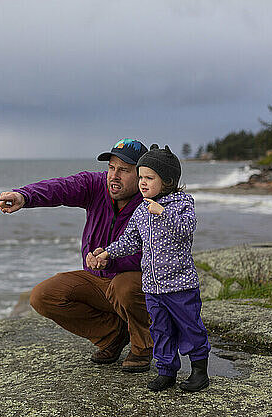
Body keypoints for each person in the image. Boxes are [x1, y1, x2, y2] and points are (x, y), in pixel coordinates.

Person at [0, 139, 154, 372]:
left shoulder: (153, 202)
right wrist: (24, 197)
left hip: (136, 286)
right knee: (43, 296)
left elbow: (158, 253)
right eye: (111, 168)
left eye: (124, 170)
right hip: (98, 282)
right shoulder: (96, 185)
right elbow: (59, 187)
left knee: (124, 286)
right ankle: (112, 335)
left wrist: (112, 257)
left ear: (141, 175)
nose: (114, 176)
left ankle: (142, 347)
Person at [87, 144, 211, 392]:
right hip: (153, 287)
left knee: (189, 327)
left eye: (149, 178)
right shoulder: (142, 209)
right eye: (141, 177)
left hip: (180, 286)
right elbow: (130, 241)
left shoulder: (182, 203)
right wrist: (108, 252)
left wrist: (163, 213)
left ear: (167, 180)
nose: (142, 183)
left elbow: (186, 230)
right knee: (161, 329)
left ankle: (199, 372)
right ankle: (166, 372)